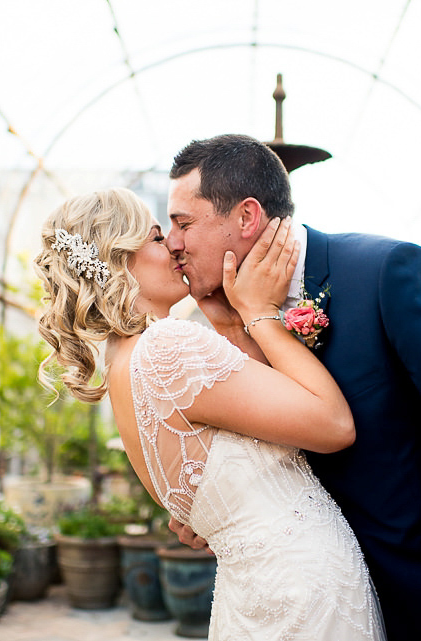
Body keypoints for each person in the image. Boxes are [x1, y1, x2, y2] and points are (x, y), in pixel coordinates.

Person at [163, 134, 421, 641]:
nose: (172, 244)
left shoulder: (390, 274)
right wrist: (216, 512)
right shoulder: (217, 329)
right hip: (333, 610)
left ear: (246, 217)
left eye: (184, 224)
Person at [34, 188, 387, 640]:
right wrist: (260, 315)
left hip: (259, 594)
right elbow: (333, 425)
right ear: (120, 260)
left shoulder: (124, 363)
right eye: (159, 238)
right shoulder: (168, 348)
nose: (176, 247)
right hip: (303, 590)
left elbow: (245, 442)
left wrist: (227, 327)